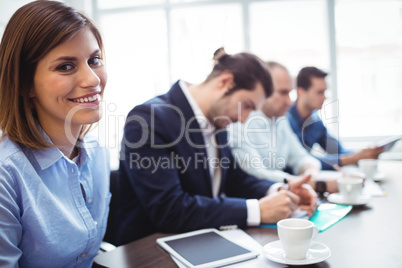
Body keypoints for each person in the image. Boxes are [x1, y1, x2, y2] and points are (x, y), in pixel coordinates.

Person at [114, 48, 317, 245]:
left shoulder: (217, 119)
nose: (244, 119)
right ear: (225, 82)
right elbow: (170, 210)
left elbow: (235, 179)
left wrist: (281, 190)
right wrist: (257, 210)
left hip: (201, 241)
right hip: (149, 250)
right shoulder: (149, 119)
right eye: (246, 105)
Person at [0, 1, 110, 267]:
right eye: (65, 66)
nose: (92, 79)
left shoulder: (97, 154)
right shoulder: (7, 174)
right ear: (26, 84)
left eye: (94, 60)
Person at [228, 62, 340, 192]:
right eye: (283, 93)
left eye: (290, 93)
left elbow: (301, 157)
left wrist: (311, 173)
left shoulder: (281, 119)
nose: (289, 101)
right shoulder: (239, 122)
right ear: (262, 90)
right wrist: (315, 184)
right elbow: (257, 174)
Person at [287, 66, 384, 170]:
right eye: (319, 92)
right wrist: (351, 159)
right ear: (301, 92)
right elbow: (303, 160)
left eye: (325, 91)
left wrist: (364, 154)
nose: (325, 97)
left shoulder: (316, 121)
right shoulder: (285, 120)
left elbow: (337, 150)